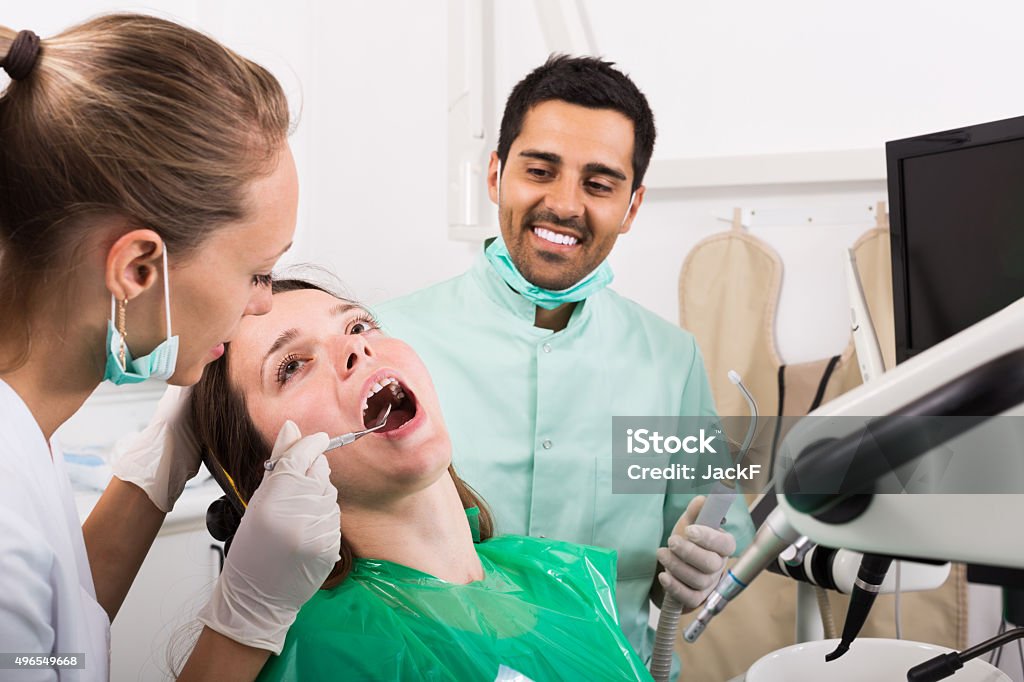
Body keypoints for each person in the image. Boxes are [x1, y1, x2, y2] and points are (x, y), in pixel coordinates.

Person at [374, 54, 755, 671]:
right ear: (496, 175)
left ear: (631, 206)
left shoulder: (668, 360)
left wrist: (703, 569)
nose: (565, 204)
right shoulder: (391, 340)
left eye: (599, 184)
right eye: (540, 170)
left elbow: (710, 538)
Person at [0, 15, 339, 681]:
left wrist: (147, 483)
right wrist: (245, 622)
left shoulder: (27, 431)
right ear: (138, 272)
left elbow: (49, 648)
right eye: (258, 272)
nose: (262, 303)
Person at [187, 277, 657, 681]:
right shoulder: (334, 650)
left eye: (357, 324)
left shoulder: (560, 578)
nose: (356, 346)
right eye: (291, 366)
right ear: (265, 473)